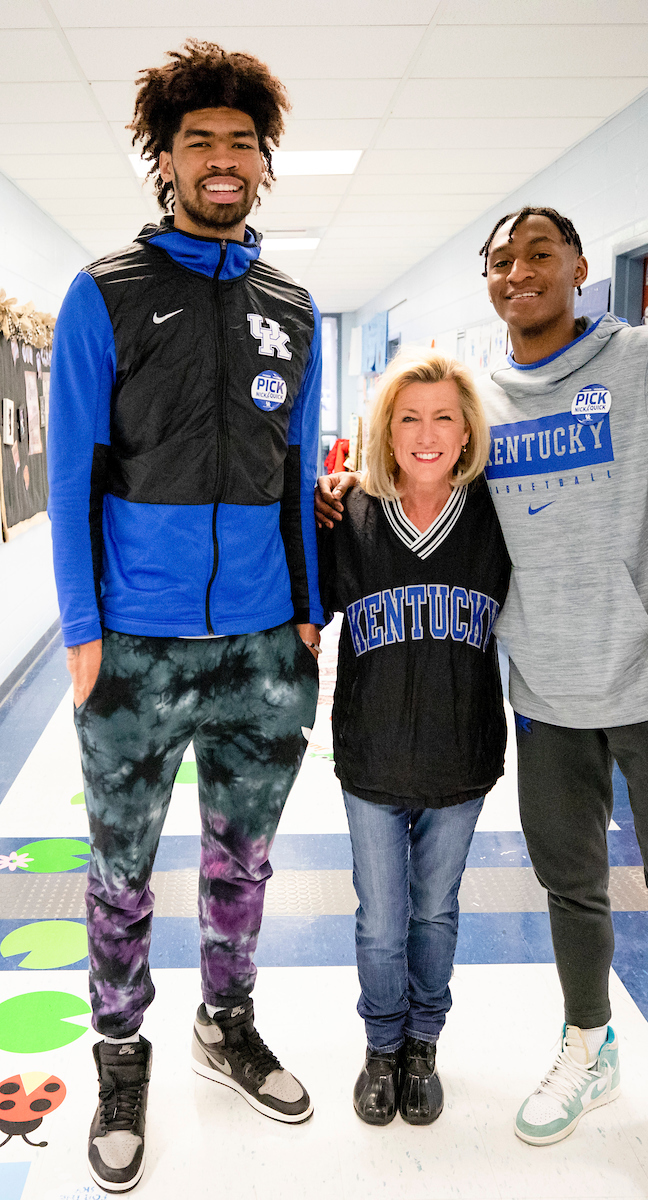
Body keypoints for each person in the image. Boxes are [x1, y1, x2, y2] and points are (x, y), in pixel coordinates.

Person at [316, 206, 648, 1200]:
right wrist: (339, 495)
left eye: (536, 255)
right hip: (543, 696)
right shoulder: (484, 399)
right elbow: (416, 483)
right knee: (571, 889)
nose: (516, 274)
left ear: (580, 267)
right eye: (499, 262)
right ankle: (587, 1048)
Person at [47, 41, 323, 1193]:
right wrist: (81, 628)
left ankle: (228, 1020)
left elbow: (299, 467)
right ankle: (120, 1053)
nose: (221, 158)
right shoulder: (104, 293)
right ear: (163, 159)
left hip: (264, 642)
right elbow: (69, 472)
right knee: (119, 869)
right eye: (198, 139)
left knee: (241, 861)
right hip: (140, 644)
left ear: (262, 165)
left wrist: (308, 613)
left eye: (240, 143)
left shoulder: (290, 306)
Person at [318, 351, 510, 1127]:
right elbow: (305, 617)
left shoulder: (500, 513)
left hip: (461, 759)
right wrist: (318, 495)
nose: (426, 434)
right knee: (380, 918)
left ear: (466, 431)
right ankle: (380, 1044)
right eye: (408, 418)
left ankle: (423, 1044)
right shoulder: (349, 515)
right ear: (384, 431)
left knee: (436, 912)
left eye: (443, 417)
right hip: (369, 761)